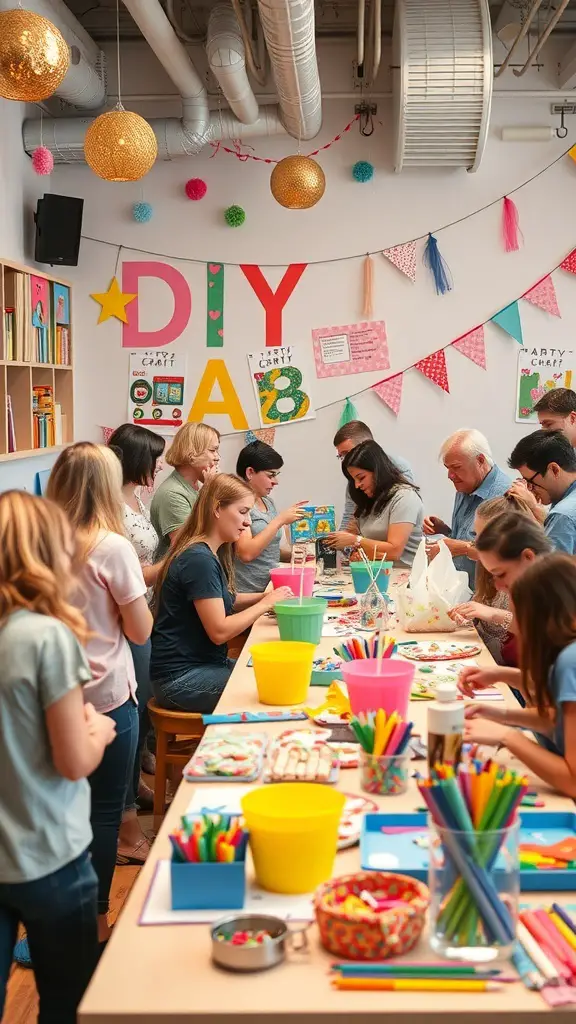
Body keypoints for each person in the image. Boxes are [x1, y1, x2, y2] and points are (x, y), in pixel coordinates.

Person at [0, 491, 116, 1024]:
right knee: (67, 1004)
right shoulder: (46, 637)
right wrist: (99, 729)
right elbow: (73, 761)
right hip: (49, 852)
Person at [47, 443, 153, 944]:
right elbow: (139, 632)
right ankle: (95, 924)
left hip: (47, 696)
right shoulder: (111, 546)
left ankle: (58, 925)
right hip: (106, 698)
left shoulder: (38, 543)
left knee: (58, 816)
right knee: (104, 815)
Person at [151, 474, 293, 713]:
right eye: (243, 511)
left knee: (276, 672)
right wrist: (265, 603)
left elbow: (225, 601)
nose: (248, 522)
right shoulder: (199, 559)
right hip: (180, 680)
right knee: (274, 686)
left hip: (202, 666)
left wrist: (264, 598)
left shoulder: (207, 553)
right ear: (217, 509)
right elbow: (219, 631)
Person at [463, 554, 576, 799]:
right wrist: (500, 715)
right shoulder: (563, 653)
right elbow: (558, 721)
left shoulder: (570, 661)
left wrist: (508, 736)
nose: (514, 623)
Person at [108, 423, 166, 852]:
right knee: (132, 709)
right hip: (132, 616)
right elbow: (133, 572)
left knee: (141, 707)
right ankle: (126, 810)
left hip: (143, 607)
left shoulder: (137, 497)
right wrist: (173, 558)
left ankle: (133, 793)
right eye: (154, 457)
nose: (159, 464)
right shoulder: (113, 510)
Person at [457, 511, 552, 698]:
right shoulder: (524, 594)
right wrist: (499, 675)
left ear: (528, 557)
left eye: (500, 574)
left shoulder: (550, 602)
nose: (498, 585)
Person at [449, 494, 537, 663]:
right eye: (476, 534)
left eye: (485, 537)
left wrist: (493, 614)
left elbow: (539, 630)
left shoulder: (539, 578)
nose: (476, 543)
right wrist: (467, 614)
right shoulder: (488, 566)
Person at [423, 429, 510, 585]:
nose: (450, 475)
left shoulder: (505, 496)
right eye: (447, 468)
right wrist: (444, 530)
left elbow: (506, 556)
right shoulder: (465, 487)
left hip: (489, 598)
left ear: (480, 461)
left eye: (456, 467)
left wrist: (462, 548)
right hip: (460, 589)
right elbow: (464, 537)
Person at [323, 440, 423, 567]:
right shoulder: (368, 501)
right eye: (354, 480)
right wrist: (357, 553)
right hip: (375, 573)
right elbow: (367, 547)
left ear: (377, 471)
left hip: (404, 576)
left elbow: (394, 551)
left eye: (361, 478)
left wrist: (355, 541)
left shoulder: (404, 497)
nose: (357, 485)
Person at [235, 440, 308, 593]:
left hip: (270, 590)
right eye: (271, 475)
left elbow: (267, 550)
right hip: (248, 595)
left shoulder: (268, 501)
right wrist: (280, 520)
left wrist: (293, 556)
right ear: (250, 473)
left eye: (276, 475)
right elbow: (246, 553)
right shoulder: (239, 504)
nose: (276, 482)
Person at [150, 422, 220, 557]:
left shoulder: (195, 487)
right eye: (212, 450)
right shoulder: (173, 493)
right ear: (191, 454)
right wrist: (209, 492)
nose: (217, 457)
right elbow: (187, 548)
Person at [333, 421, 413, 529]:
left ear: (366, 447)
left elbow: (402, 518)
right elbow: (349, 515)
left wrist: (357, 540)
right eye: (340, 456)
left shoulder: (401, 475)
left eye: (347, 453)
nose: (344, 461)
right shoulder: (355, 480)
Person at [508, 429, 576, 555]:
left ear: (554, 470)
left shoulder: (562, 516)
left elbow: (551, 573)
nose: (529, 489)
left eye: (530, 481)